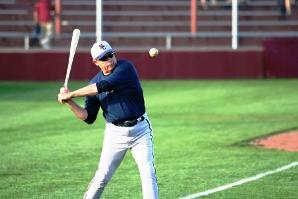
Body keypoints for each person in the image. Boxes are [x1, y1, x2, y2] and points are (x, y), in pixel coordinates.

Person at [57, 41, 159, 199]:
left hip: (140, 131)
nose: (110, 59)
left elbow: (103, 86)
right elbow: (88, 117)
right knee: (102, 176)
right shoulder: (92, 84)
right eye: (104, 58)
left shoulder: (126, 68)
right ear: (95, 62)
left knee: (148, 174)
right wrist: (69, 103)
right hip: (115, 134)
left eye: (111, 54)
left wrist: (70, 94)